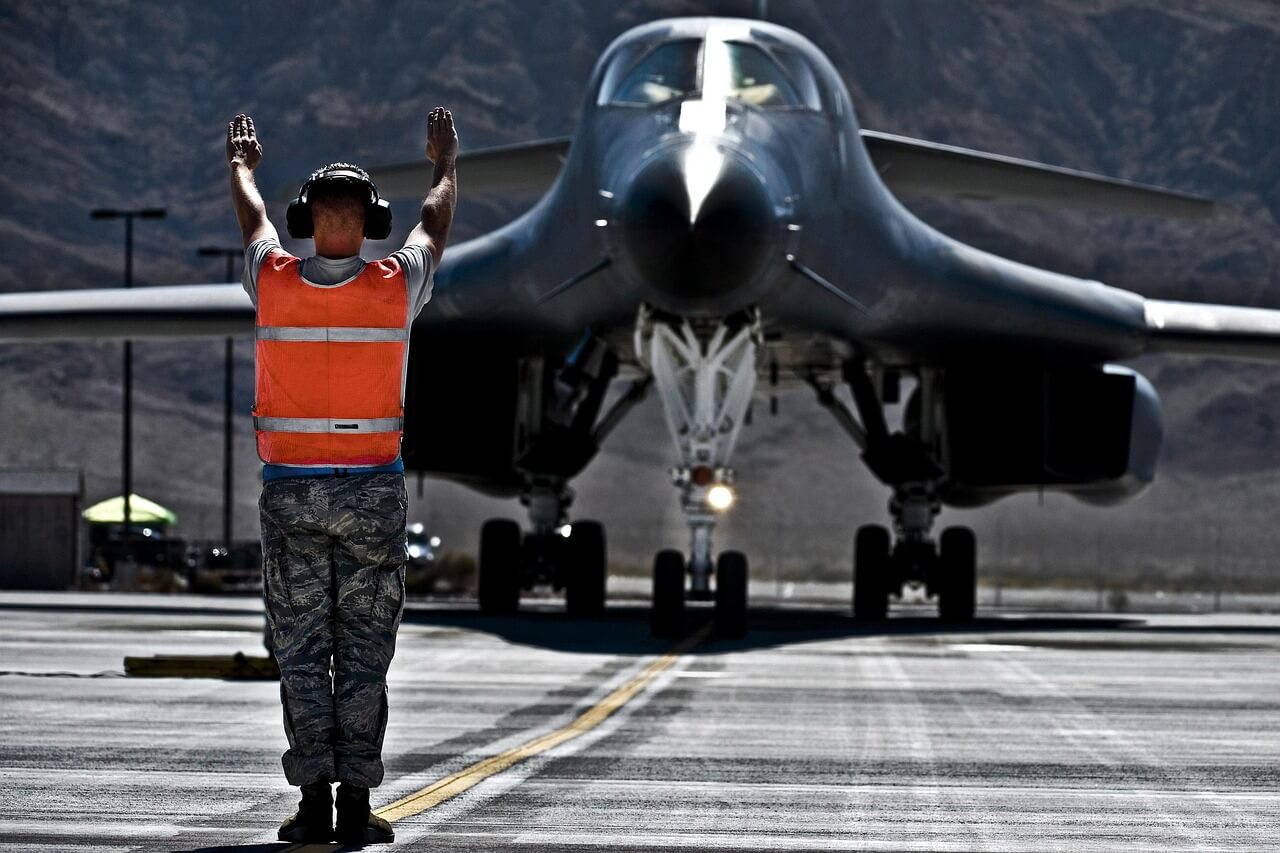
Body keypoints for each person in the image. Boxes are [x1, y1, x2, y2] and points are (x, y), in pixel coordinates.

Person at [225, 107, 458, 844]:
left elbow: (251, 218)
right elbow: (435, 223)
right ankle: (356, 803)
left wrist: (241, 166)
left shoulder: (274, 280)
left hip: (290, 492)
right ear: (369, 221)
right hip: (372, 495)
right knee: (363, 655)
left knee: (299, 652)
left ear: (307, 219)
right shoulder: (396, 287)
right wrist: (446, 163)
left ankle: (313, 805)